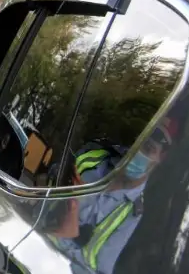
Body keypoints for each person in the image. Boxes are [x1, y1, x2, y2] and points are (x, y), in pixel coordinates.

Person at [47, 116, 178, 274]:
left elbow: (99, 270)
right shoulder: (93, 157)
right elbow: (44, 189)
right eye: (140, 141)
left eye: (148, 148)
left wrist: (65, 235)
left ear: (161, 158)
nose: (138, 151)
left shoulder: (133, 215)